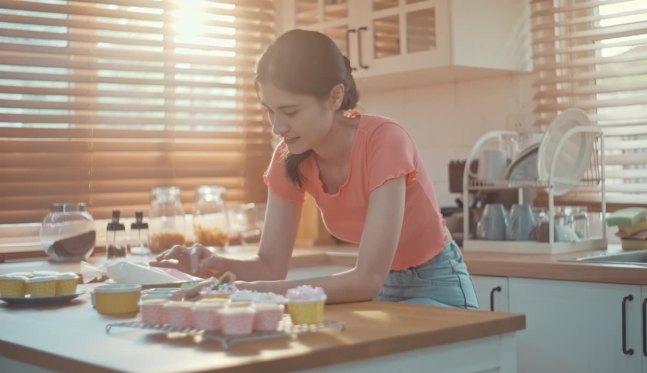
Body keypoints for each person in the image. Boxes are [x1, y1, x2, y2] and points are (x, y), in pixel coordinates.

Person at [150, 29, 478, 309]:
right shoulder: (291, 157)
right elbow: (269, 265)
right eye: (270, 111)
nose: (277, 126)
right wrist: (210, 267)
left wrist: (246, 292)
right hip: (380, 290)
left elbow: (366, 280)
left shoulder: (385, 141)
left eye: (290, 111)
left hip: (436, 282)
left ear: (335, 97)